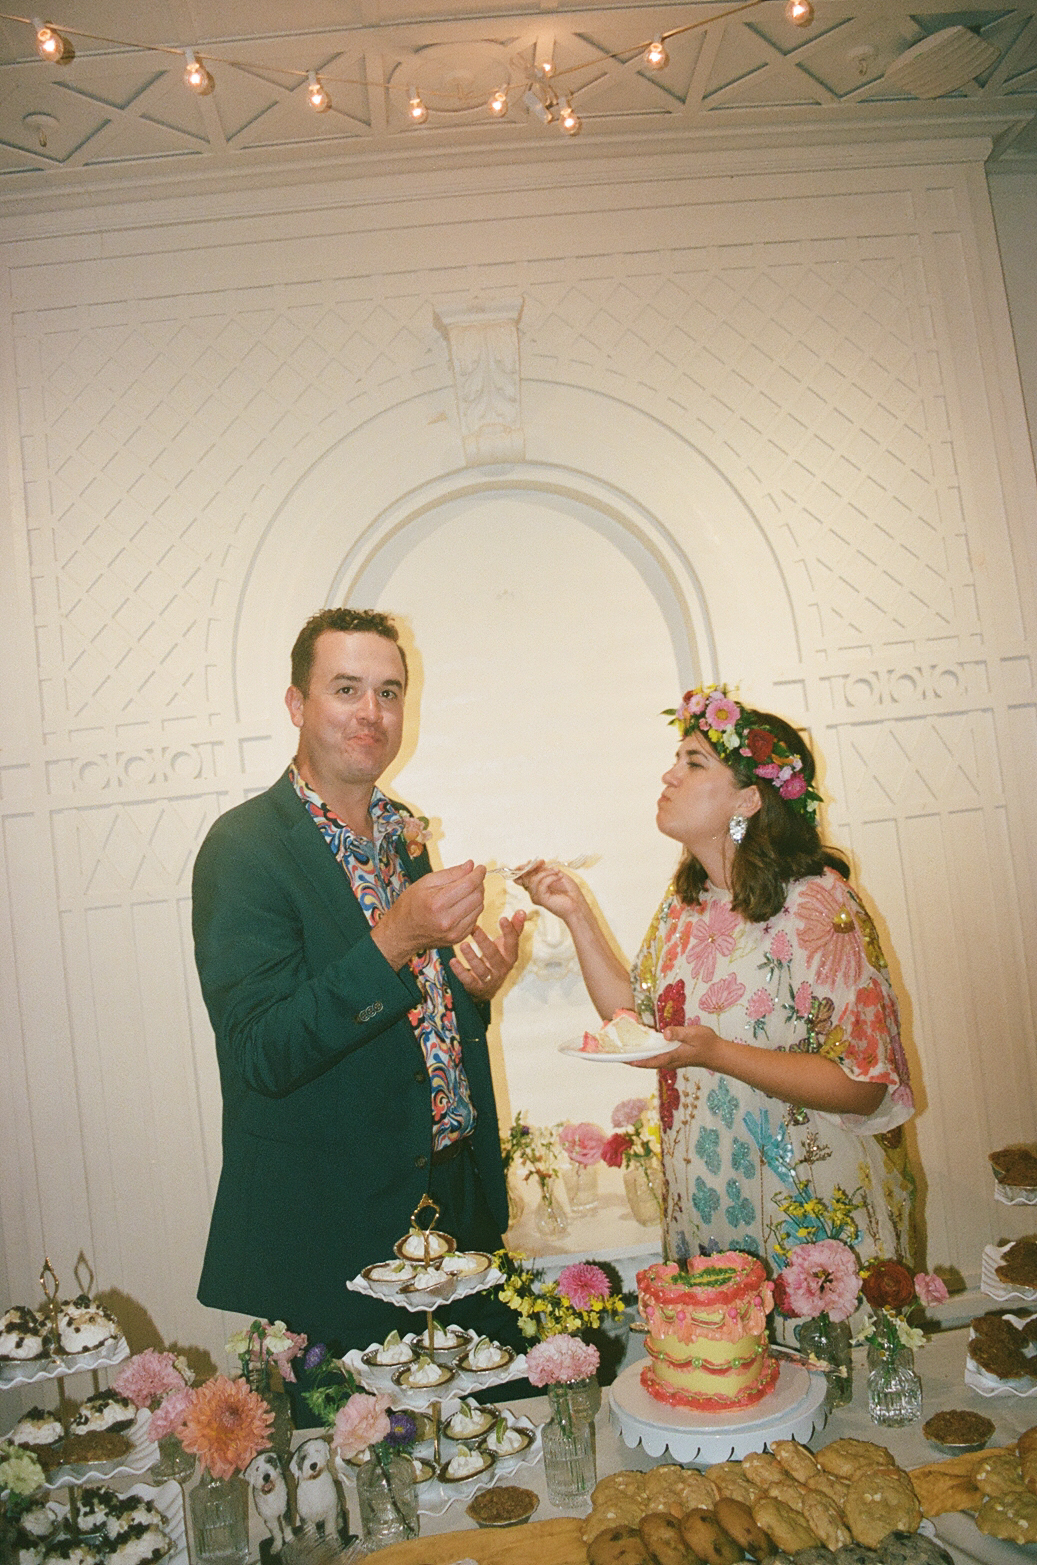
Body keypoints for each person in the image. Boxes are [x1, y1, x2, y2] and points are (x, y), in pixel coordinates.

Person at [192, 608, 527, 1361]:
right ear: (295, 705)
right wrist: (397, 937)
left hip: (455, 1208)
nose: (371, 713)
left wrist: (471, 992)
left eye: (388, 691)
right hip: (335, 1233)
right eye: (346, 688)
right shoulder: (243, 847)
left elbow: (402, 1020)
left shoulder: (402, 829)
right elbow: (261, 1052)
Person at [520, 684, 916, 1273]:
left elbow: (866, 1086)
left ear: (749, 801)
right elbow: (636, 1020)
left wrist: (718, 1054)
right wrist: (574, 912)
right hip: (710, 1211)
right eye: (676, 760)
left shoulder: (818, 906)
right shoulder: (688, 905)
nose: (668, 776)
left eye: (694, 762)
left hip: (811, 1220)